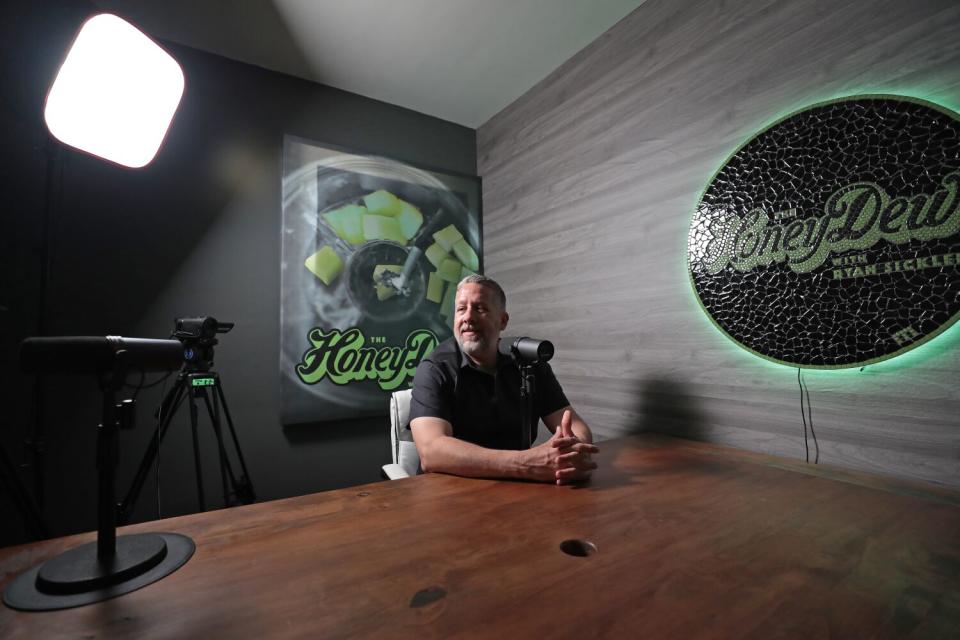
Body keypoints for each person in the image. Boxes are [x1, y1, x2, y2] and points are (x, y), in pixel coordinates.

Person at [409, 274, 599, 484]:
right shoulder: (434, 368)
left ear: (503, 321)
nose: (468, 317)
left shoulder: (529, 364)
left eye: (480, 308)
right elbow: (431, 452)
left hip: (518, 488)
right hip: (451, 493)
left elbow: (576, 426)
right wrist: (526, 463)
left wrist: (571, 452)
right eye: (461, 309)